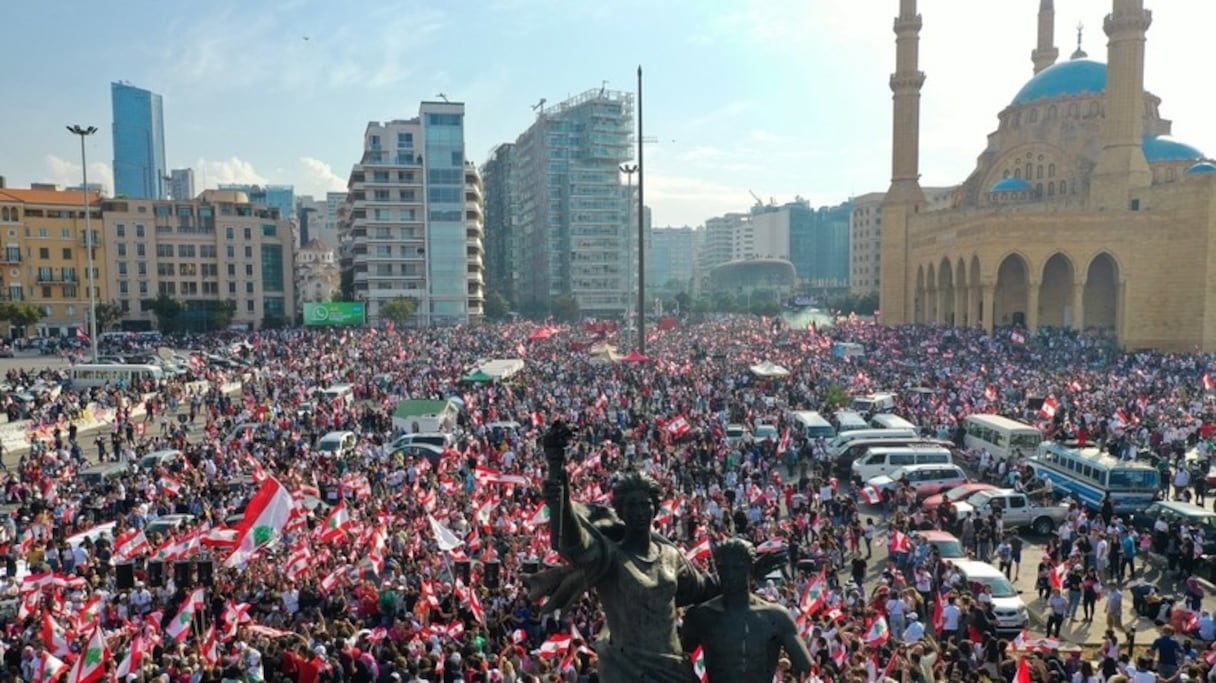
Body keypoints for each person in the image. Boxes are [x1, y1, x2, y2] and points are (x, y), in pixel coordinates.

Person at [537, 422, 718, 682]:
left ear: (655, 509)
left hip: (673, 669)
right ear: (620, 511)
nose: (640, 512)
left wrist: (746, 571)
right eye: (632, 506)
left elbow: (702, 589)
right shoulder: (610, 557)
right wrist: (558, 479)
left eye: (646, 505)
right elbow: (569, 543)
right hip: (628, 669)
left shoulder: (670, 555)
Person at [681, 538, 812, 681]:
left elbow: (805, 665)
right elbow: (678, 660)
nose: (730, 575)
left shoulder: (776, 617)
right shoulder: (700, 617)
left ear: (750, 568)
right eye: (724, 568)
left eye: (737, 568)